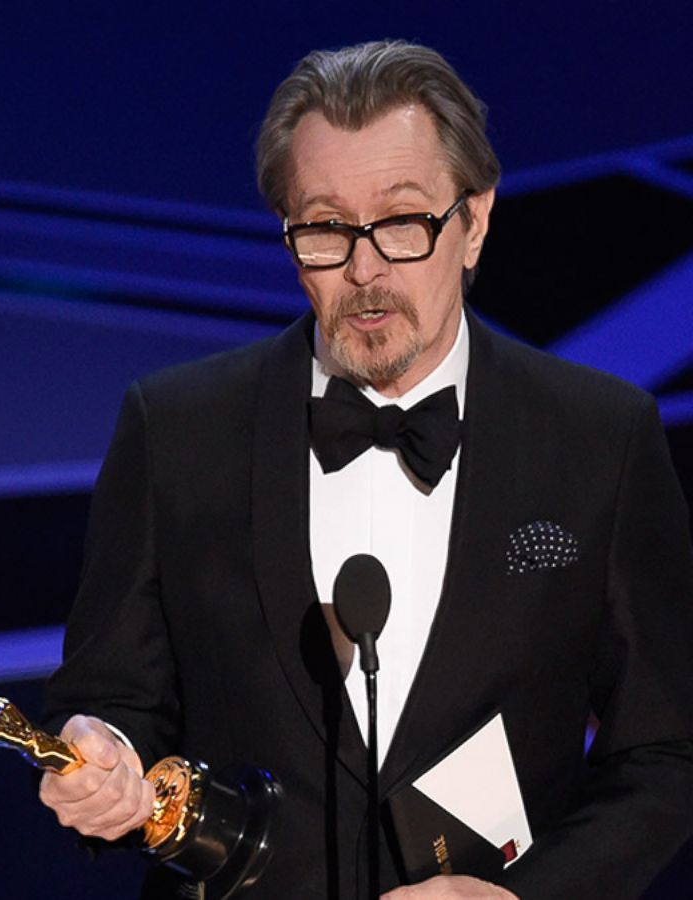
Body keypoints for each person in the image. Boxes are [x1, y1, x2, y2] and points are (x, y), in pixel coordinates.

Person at [38, 39, 693, 899]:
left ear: (476, 222)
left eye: (402, 221)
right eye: (324, 227)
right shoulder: (176, 429)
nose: (366, 268)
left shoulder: (601, 436)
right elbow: (109, 698)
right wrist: (105, 760)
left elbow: (667, 749)